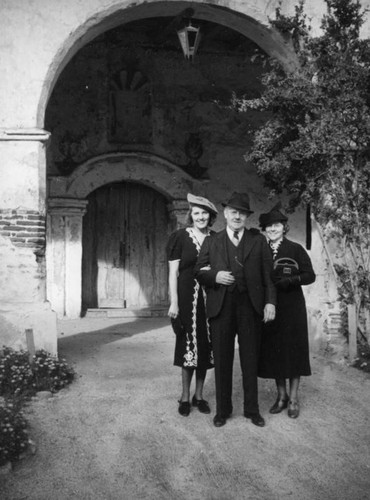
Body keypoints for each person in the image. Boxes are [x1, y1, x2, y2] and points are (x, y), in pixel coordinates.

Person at [194, 192, 276, 428]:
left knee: (250, 358)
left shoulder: (258, 241)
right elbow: (198, 271)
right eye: (233, 212)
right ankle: (223, 410)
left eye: (242, 213)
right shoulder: (212, 240)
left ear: (246, 216)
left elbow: (268, 276)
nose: (237, 216)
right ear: (226, 214)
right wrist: (215, 275)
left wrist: (270, 302)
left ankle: (252, 410)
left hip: (251, 307)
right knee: (222, 359)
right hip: (221, 307)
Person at [258, 203, 316, 419]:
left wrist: (292, 280)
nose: (272, 229)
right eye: (268, 227)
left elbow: (310, 275)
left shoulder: (295, 249)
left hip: (292, 307)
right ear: (263, 230)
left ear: (284, 227)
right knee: (275, 352)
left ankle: (293, 398)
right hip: (269, 308)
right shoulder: (260, 249)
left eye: (276, 225)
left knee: (293, 352)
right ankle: (280, 397)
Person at [166, 193, 218, 417]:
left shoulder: (215, 238)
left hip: (210, 298)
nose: (200, 217)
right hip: (186, 298)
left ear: (211, 216)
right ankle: (185, 397)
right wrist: (174, 303)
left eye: (204, 213)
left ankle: (199, 396)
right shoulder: (180, 237)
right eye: (196, 213)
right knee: (187, 344)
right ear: (191, 215)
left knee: (205, 347)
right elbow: (172, 273)